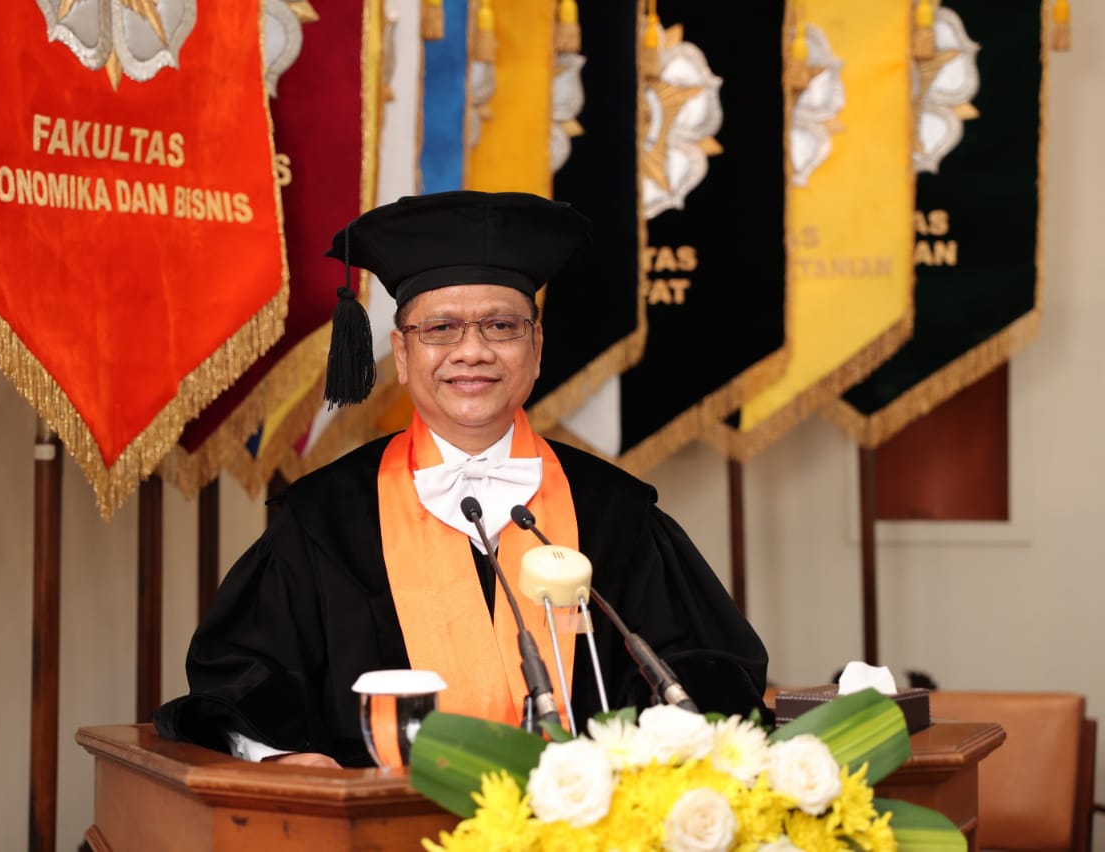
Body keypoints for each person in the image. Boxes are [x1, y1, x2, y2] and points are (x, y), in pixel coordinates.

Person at [154, 191, 770, 769]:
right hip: (381, 828)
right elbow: (242, 685)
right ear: (401, 354)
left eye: (501, 326)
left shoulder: (616, 513)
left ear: (536, 347)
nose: (472, 351)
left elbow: (703, 676)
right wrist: (282, 761)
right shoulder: (324, 520)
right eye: (441, 328)